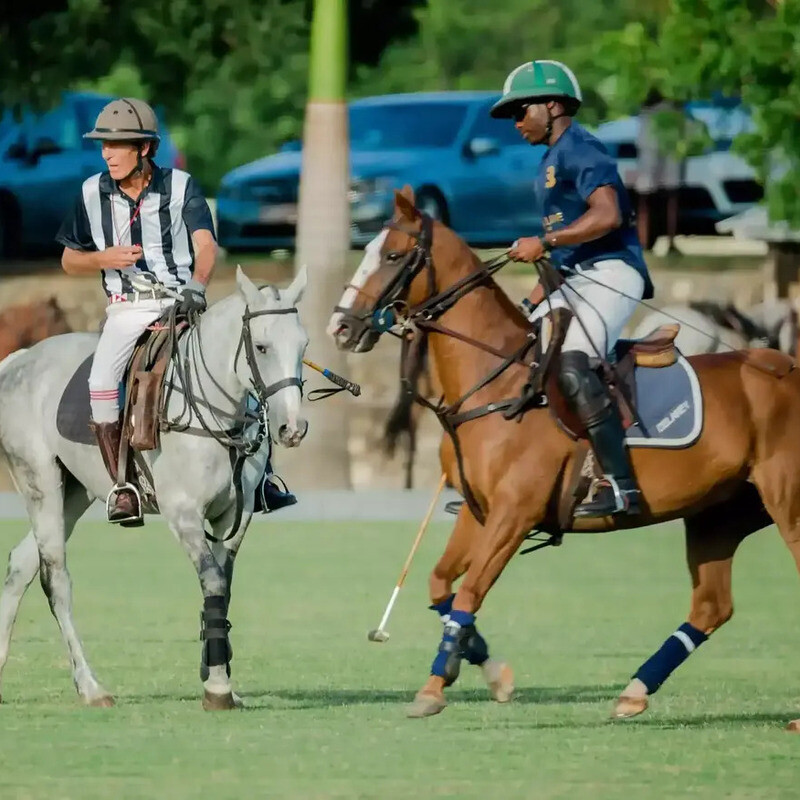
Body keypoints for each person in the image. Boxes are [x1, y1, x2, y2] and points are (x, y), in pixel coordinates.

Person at [56, 97, 295, 525]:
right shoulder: (92, 193)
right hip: (127, 308)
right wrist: (103, 258)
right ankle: (122, 485)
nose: (107, 153)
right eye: (103, 145)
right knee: (102, 380)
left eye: (117, 145)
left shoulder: (182, 187)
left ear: (145, 148)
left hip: (181, 302)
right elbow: (69, 260)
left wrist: (196, 288)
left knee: (241, 363)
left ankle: (263, 478)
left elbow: (206, 247)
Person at [490, 60, 655, 518]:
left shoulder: (582, 149)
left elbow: (608, 215)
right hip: (578, 278)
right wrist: (533, 299)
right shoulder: (550, 159)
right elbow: (563, 256)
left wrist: (543, 242)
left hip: (613, 273)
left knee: (572, 360)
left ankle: (622, 486)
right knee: (518, 355)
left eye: (521, 111)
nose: (517, 123)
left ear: (553, 105)